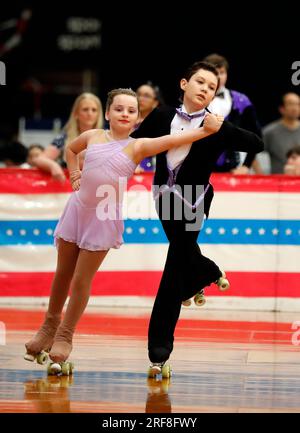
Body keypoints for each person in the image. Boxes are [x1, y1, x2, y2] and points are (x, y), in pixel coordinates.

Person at [24, 87, 224, 372]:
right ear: (108, 113)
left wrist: (205, 130)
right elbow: (70, 150)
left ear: (137, 118)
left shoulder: (137, 146)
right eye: (119, 109)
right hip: (76, 211)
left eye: (131, 110)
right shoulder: (92, 136)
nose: (124, 114)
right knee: (62, 275)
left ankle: (66, 334)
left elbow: (175, 138)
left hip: (104, 218)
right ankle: (49, 326)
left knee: (81, 280)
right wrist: (74, 173)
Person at [132, 61, 264, 374]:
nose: (205, 89)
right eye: (200, 82)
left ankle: (159, 349)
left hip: (195, 200)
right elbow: (136, 142)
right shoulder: (164, 114)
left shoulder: (216, 124)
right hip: (163, 197)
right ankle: (206, 271)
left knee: (174, 263)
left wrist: (225, 128)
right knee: (183, 255)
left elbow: (257, 143)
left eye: (211, 87)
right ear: (183, 84)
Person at [203, 53, 263, 174]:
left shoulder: (242, 101)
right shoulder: (195, 98)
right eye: (214, 72)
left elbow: (257, 135)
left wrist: (246, 166)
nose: (218, 77)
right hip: (197, 169)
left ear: (227, 74)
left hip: (232, 170)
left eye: (221, 72)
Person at [31, 92, 104, 181]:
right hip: (68, 190)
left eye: (94, 110)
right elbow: (39, 159)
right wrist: (53, 166)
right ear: (76, 114)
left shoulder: (107, 138)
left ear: (98, 115)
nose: (90, 113)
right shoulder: (64, 137)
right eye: (85, 109)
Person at [263, 92, 300, 173]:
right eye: (291, 104)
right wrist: (260, 175)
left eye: (298, 104)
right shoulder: (269, 132)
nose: (295, 108)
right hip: (277, 181)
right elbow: (255, 155)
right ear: (282, 109)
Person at [135, 82, 165, 172]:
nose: (140, 98)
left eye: (146, 96)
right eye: (138, 94)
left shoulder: (162, 125)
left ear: (155, 102)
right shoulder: (124, 121)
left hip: (150, 173)